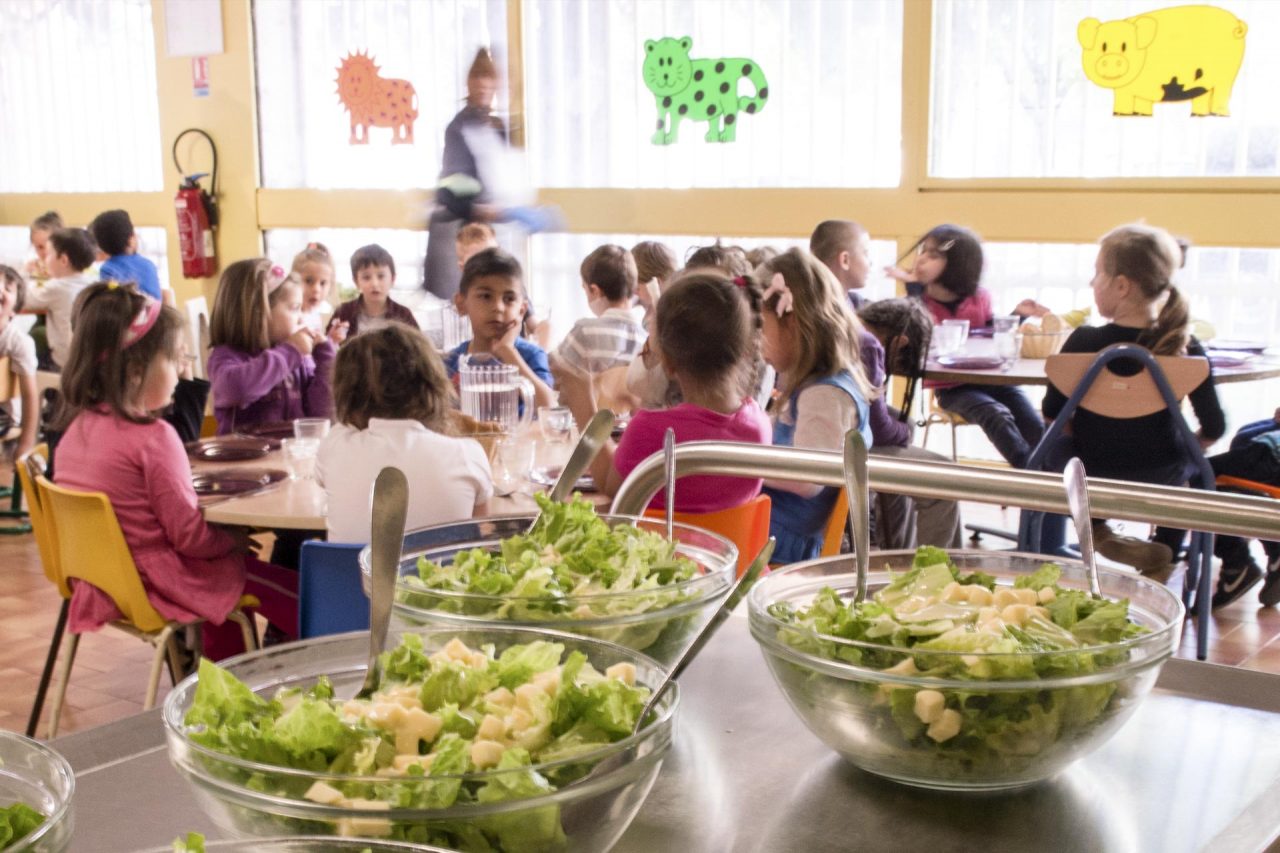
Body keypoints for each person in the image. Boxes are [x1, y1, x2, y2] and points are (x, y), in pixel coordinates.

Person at [52, 282, 297, 661]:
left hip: (106, 582)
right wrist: (230, 539)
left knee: (235, 577)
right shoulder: (153, 438)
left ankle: (227, 683)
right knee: (298, 595)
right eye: (176, 359)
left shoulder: (75, 432)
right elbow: (190, 539)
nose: (184, 374)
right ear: (136, 371)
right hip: (163, 582)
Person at [1042, 223, 1225, 583]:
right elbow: (1215, 426)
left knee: (1055, 450)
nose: (1092, 283)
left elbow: (1053, 413)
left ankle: (1096, 529)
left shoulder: (1083, 341)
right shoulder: (1185, 346)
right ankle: (1166, 550)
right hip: (1161, 473)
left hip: (1089, 472)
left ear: (1122, 285)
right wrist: (1187, 449)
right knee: (1192, 458)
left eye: (1097, 274)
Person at [553, 269, 771, 509]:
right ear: (745, 349)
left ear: (666, 361)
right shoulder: (759, 425)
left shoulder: (652, 429)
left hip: (660, 546)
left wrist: (584, 405)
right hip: (732, 547)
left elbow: (610, 485)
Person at [317, 325, 492, 543]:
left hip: (350, 577)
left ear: (345, 393)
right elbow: (479, 543)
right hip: (437, 576)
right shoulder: (467, 454)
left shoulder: (334, 445)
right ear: (433, 384)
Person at [891, 224, 1043, 468]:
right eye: (922, 251)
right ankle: (1033, 475)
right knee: (995, 414)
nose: (921, 259)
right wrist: (914, 289)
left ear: (957, 263)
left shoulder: (979, 296)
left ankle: (1045, 477)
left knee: (1034, 424)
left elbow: (986, 333)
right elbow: (917, 327)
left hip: (993, 380)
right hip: (953, 388)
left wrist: (1018, 315)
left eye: (933, 255)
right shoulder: (919, 301)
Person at [758, 248, 875, 564]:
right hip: (773, 526)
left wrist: (741, 462)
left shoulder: (825, 394)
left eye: (762, 328)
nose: (757, 342)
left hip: (779, 540)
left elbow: (807, 478)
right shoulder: (812, 386)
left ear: (793, 323)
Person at [856, 298, 963, 549]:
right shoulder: (866, 346)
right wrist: (905, 431)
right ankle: (934, 575)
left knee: (907, 447)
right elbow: (880, 430)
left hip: (838, 433)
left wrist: (905, 427)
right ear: (901, 342)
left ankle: (899, 554)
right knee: (946, 479)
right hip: (846, 445)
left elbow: (871, 407)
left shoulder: (850, 327)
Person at [207, 258, 336, 434]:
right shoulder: (226, 356)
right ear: (260, 312)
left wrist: (325, 360)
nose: (300, 319)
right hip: (242, 458)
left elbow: (321, 415)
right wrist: (289, 352)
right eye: (294, 308)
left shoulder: (299, 360)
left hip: (291, 454)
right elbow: (237, 389)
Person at [443, 248, 555, 409]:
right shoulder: (451, 362)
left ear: (522, 310)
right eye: (486, 296)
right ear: (461, 304)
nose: (498, 307)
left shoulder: (530, 355)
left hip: (520, 434)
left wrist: (507, 350)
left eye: (509, 299)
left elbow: (548, 407)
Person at [1209, 411, 1280, 607]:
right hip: (1268, 450)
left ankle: (1237, 564)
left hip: (1269, 453)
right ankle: (1269, 551)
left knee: (1200, 473)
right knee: (1228, 483)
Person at [554, 245, 647, 374]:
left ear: (595, 290)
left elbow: (554, 373)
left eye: (585, 289)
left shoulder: (584, 331)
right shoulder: (645, 339)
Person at [24, 228, 96, 370]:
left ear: (63, 260)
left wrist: (25, 273)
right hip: (90, 361)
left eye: (49, 254)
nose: (44, 258)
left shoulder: (56, 288)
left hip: (64, 362)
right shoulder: (93, 282)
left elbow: (23, 299)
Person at [328, 244, 419, 339]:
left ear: (392, 279)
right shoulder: (344, 312)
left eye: (381, 276)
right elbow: (325, 348)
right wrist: (332, 340)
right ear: (356, 281)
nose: (374, 284)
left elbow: (420, 349)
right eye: (366, 277)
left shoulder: (403, 315)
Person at [0, 266, 38, 460]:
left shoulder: (18, 341)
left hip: (3, 417)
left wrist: (26, 443)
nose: (0, 289)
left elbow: (30, 395)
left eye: (7, 288)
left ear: (15, 310)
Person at [90, 209, 162, 301]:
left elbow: (109, 303)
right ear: (131, 240)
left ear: (101, 246)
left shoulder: (107, 269)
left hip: (125, 314)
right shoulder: (148, 265)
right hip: (156, 314)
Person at [811, 219, 873, 311]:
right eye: (865, 253)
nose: (870, 262)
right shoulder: (804, 310)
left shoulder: (858, 305)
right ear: (845, 260)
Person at [292, 242, 336, 335]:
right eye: (308, 281)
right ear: (293, 279)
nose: (316, 289)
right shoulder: (291, 317)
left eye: (323, 283)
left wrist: (331, 340)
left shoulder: (314, 314)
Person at [631, 240, 677, 327]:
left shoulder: (666, 313)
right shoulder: (647, 301)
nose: (634, 292)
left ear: (656, 284)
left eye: (637, 289)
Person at [25, 211, 63, 281]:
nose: (45, 251)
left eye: (50, 247)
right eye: (40, 247)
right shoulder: (34, 265)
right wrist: (27, 273)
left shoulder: (67, 267)